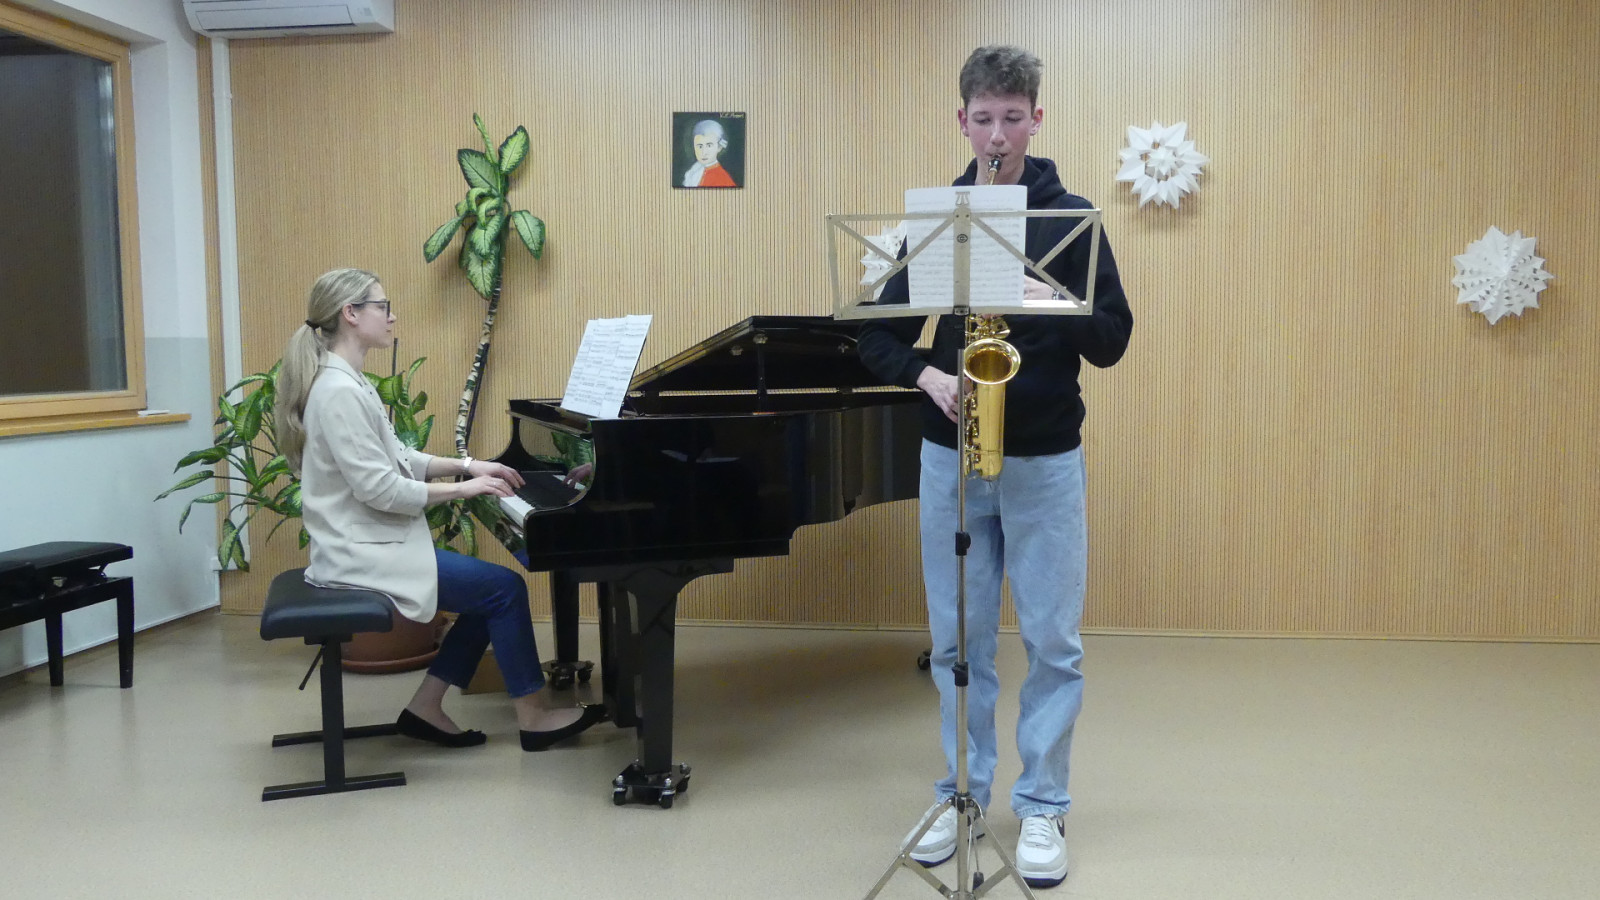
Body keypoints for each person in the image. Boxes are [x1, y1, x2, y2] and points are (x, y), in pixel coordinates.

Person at [857, 45, 1134, 888]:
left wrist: (1048, 294)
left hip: (1045, 459)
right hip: (951, 457)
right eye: (984, 119)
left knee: (1052, 641)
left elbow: (1112, 340)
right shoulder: (939, 222)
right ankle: (961, 794)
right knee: (958, 642)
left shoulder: (1070, 220)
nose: (998, 134)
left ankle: (1043, 804)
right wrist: (928, 375)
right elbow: (874, 338)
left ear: (1037, 119)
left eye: (1014, 117)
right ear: (963, 120)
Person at [276, 268, 607, 752]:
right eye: (383, 307)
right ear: (351, 314)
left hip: (371, 543)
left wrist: (469, 465)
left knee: (490, 593)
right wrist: (465, 490)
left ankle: (425, 708)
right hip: (360, 554)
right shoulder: (338, 392)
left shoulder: (348, 381)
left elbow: (398, 459)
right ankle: (534, 719)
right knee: (503, 591)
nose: (392, 317)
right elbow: (382, 490)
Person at [682, 118, 737, 187]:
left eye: (709, 145)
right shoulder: (693, 171)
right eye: (700, 146)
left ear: (719, 147)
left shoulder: (722, 179)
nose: (704, 152)